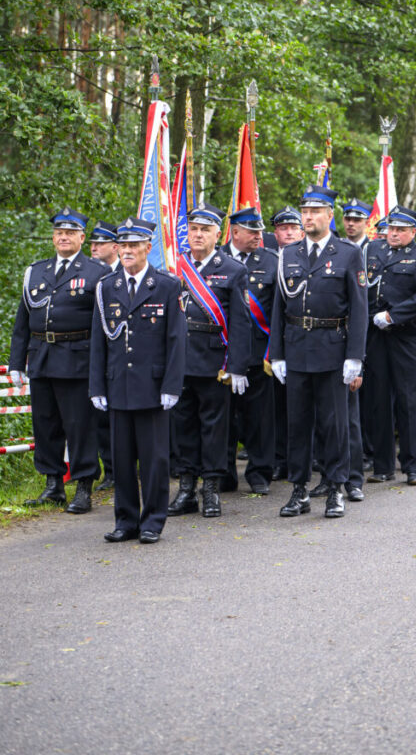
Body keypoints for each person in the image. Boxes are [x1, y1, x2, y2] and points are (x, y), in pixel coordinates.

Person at [270, 184, 367, 520]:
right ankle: (298, 490)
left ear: (329, 215)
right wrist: (277, 354)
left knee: (334, 424)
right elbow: (278, 308)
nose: (308, 217)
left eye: (314, 212)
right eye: (304, 212)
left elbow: (359, 308)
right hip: (297, 348)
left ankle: (335, 487)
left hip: (332, 348)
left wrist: (355, 356)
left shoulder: (348, 253)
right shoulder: (288, 254)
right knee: (297, 425)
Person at [89, 217, 186, 543]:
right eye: (123, 245)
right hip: (119, 386)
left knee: (154, 461)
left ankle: (152, 521)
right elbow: (98, 342)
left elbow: (176, 341)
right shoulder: (107, 287)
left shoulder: (167, 286)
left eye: (134, 245)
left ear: (148, 247)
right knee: (121, 459)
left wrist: (172, 385)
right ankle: (125, 521)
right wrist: (97, 386)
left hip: (153, 387)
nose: (128, 251)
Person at [9, 207, 109, 512]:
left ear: (81, 237)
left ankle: (83, 487)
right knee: (45, 424)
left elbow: (105, 324)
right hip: (41, 358)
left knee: (79, 427)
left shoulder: (97, 272)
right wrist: (16, 362)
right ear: (53, 237)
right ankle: (52, 485)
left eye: (69, 233)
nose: (63, 238)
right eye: (58, 233)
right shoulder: (35, 271)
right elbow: (22, 322)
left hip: (78, 360)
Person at [169, 203, 251, 518]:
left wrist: (237, 367)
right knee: (183, 426)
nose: (198, 234)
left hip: (215, 360)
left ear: (218, 233)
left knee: (215, 428)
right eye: (194, 229)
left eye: (205, 229)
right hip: (180, 361)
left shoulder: (232, 269)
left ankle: (212, 489)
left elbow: (241, 323)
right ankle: (187, 488)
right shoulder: (174, 268)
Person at [364, 205, 416, 485]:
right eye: (391, 229)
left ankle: (413, 466)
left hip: (407, 335)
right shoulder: (374, 250)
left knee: (410, 400)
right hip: (376, 335)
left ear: (412, 232)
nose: (393, 234)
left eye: (400, 230)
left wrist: (393, 315)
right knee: (378, 399)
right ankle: (382, 466)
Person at [224, 206, 278, 495]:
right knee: (224, 419)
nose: (260, 236)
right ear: (235, 232)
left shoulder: (271, 261)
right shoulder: (216, 259)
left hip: (259, 353)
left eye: (260, 231)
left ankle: (259, 474)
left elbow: (278, 311)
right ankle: (224, 474)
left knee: (259, 419)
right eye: (252, 231)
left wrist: (276, 352)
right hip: (223, 355)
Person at [267, 206, 305, 479]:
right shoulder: (268, 260)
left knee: (307, 404)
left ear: (302, 231)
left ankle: (309, 457)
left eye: (293, 227)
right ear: (275, 233)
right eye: (283, 228)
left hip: (304, 341)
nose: (289, 232)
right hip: (272, 345)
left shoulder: (308, 259)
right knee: (277, 407)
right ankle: (281, 458)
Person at [88, 220, 121, 491]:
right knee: (100, 416)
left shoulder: (128, 271)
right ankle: (110, 471)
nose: (94, 247)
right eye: (92, 242)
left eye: (100, 243)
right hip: (96, 354)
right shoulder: (89, 273)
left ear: (115, 246)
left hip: (124, 356)